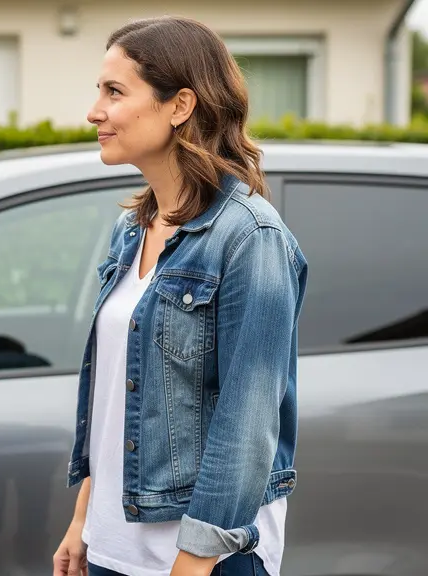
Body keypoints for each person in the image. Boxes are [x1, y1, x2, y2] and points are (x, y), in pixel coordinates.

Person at [52, 16, 308, 576]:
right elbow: (117, 393)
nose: (94, 111)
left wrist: (193, 562)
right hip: (114, 547)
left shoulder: (250, 237)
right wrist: (83, 520)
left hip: (204, 556)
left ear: (180, 105)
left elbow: (247, 422)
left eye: (114, 92)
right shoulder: (131, 229)